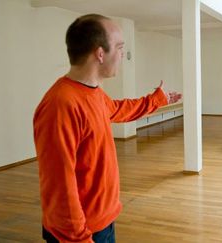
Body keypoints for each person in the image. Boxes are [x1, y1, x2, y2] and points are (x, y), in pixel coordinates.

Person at [33, 14, 181, 243]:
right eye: (120, 48)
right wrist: (79, 238)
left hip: (103, 220)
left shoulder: (93, 93)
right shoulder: (60, 105)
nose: (123, 55)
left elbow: (118, 110)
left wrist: (157, 99)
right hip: (81, 233)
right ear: (100, 54)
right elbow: (59, 186)